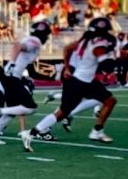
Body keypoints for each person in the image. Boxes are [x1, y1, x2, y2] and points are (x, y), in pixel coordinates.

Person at [24, 18, 118, 151]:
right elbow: (106, 65)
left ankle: (97, 131)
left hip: (81, 80)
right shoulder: (98, 45)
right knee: (64, 112)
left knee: (108, 101)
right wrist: (117, 57)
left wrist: (67, 67)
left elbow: (67, 48)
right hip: (82, 82)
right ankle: (32, 133)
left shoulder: (83, 41)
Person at [0, 20, 47, 145]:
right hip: (12, 77)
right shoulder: (36, 41)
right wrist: (12, 63)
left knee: (13, 110)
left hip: (11, 76)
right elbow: (17, 46)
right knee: (31, 108)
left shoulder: (31, 40)